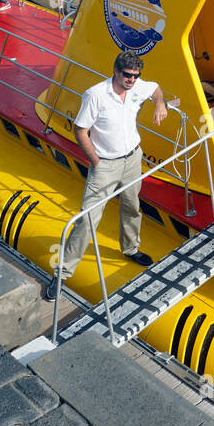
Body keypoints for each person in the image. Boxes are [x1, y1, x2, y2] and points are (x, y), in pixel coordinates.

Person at [44, 51, 168, 301]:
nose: (132, 79)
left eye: (136, 75)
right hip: (105, 165)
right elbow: (81, 130)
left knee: (132, 206)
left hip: (132, 158)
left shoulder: (138, 87)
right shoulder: (95, 95)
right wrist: (97, 162)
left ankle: (130, 249)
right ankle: (62, 273)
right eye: (127, 75)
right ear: (116, 71)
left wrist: (160, 104)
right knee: (88, 219)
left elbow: (156, 89)